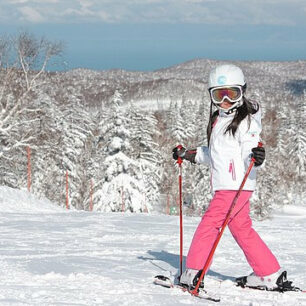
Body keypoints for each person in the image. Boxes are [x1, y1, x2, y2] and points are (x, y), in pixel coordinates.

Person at [172, 64, 286, 291]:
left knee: (210, 224)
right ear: (211, 95)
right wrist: (189, 155)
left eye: (232, 94)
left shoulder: (247, 121)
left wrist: (256, 156)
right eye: (219, 94)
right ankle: (269, 273)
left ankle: (194, 271)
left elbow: (250, 148)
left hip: (234, 185)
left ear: (242, 92)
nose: (226, 100)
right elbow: (215, 154)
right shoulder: (218, 121)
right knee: (241, 228)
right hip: (233, 186)